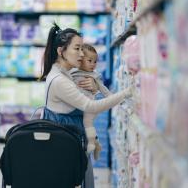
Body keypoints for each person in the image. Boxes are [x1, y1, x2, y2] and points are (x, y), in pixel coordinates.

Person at [40, 23, 133, 188]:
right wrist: (126, 93)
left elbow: (81, 96)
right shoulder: (60, 80)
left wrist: (95, 87)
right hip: (64, 145)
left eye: (82, 48)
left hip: (68, 140)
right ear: (61, 51)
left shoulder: (64, 73)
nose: (82, 54)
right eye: (77, 48)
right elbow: (91, 107)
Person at [70, 43, 112, 160]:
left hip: (90, 105)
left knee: (87, 122)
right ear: (80, 60)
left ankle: (92, 144)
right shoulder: (72, 73)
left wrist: (112, 98)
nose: (93, 64)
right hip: (78, 106)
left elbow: (104, 90)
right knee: (83, 126)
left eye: (95, 61)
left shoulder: (94, 76)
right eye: (90, 61)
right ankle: (97, 144)